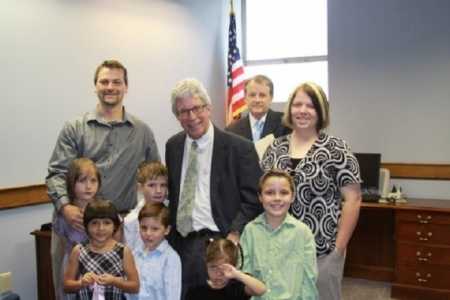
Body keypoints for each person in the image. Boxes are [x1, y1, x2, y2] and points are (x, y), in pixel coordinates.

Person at [46, 59, 159, 298]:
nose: (110, 87)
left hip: (119, 228)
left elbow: (154, 178)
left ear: (126, 87)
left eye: (116, 82)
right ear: (95, 86)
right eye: (104, 81)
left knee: (117, 292)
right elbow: (56, 173)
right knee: (69, 291)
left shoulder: (142, 132)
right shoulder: (75, 128)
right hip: (75, 226)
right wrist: (65, 207)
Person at [261, 82, 362, 300]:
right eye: (297, 104)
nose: (303, 111)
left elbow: (353, 200)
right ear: (289, 109)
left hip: (322, 252)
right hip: (278, 249)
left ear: (321, 111)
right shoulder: (275, 149)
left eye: (310, 105)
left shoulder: (337, 149)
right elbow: (263, 195)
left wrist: (338, 250)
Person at [165, 78, 262, 297]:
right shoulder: (173, 146)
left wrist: (234, 235)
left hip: (219, 243)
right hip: (179, 244)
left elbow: (253, 199)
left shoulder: (239, 148)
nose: (191, 117)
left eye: (196, 108)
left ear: (208, 108)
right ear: (177, 116)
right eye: (183, 112)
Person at [241, 169, 318, 300]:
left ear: (292, 196)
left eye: (284, 192)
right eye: (270, 193)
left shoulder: (303, 233)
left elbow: (309, 281)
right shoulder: (250, 231)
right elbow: (244, 276)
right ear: (260, 197)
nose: (277, 198)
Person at [64, 199, 139, 299]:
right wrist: (81, 283)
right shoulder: (78, 250)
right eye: (94, 223)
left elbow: (134, 286)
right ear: (86, 226)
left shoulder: (123, 251)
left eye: (107, 223)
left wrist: (114, 281)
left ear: (115, 225)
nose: (101, 228)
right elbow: (66, 286)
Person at [52, 158, 101, 300]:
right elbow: (60, 249)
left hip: (100, 266)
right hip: (73, 270)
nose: (88, 186)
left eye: (93, 181)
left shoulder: (104, 208)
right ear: (71, 183)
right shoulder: (64, 215)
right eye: (82, 181)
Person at [127, 202, 181, 300]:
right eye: (143, 228)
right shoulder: (134, 254)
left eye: (155, 229)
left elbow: (172, 295)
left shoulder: (171, 258)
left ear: (167, 230)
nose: (148, 233)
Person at [186, 238, 266, 300]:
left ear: (233, 267)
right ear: (206, 265)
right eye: (213, 268)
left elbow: (261, 290)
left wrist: (238, 274)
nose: (218, 274)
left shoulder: (237, 288)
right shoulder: (195, 290)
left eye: (224, 269)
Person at [226, 75, 290, 142]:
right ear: (245, 98)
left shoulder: (285, 123)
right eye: (252, 95)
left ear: (271, 98)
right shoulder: (232, 130)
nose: (257, 100)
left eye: (262, 95)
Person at [123, 161, 169, 251]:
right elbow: (129, 253)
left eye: (163, 185)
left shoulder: (172, 212)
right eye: (152, 185)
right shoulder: (131, 220)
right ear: (140, 187)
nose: (158, 190)